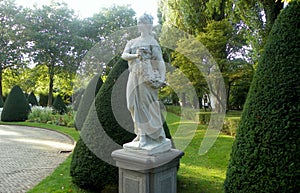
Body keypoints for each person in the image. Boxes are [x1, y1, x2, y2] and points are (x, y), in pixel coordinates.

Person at [121, 14, 168, 149]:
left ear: (148, 25)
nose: (139, 25)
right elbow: (124, 55)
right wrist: (136, 55)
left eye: (142, 22)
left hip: (146, 78)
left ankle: (146, 136)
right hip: (133, 75)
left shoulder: (152, 42)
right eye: (138, 22)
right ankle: (140, 133)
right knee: (132, 105)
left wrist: (162, 78)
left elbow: (160, 62)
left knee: (145, 106)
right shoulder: (132, 42)